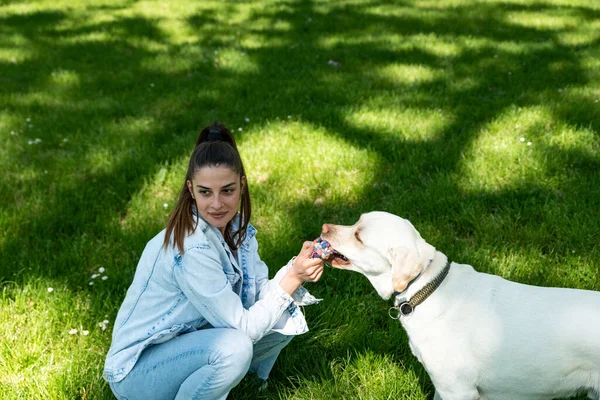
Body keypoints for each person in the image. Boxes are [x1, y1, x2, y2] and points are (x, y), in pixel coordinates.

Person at [103, 121, 325, 399]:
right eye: (205, 192)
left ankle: (251, 385)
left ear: (242, 185)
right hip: (138, 374)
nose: (217, 204)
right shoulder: (190, 247)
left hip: (185, 347)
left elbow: (256, 299)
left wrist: (296, 269)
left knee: (282, 312)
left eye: (227, 190)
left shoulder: (237, 229)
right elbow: (244, 328)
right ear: (190, 189)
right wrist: (293, 278)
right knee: (235, 346)